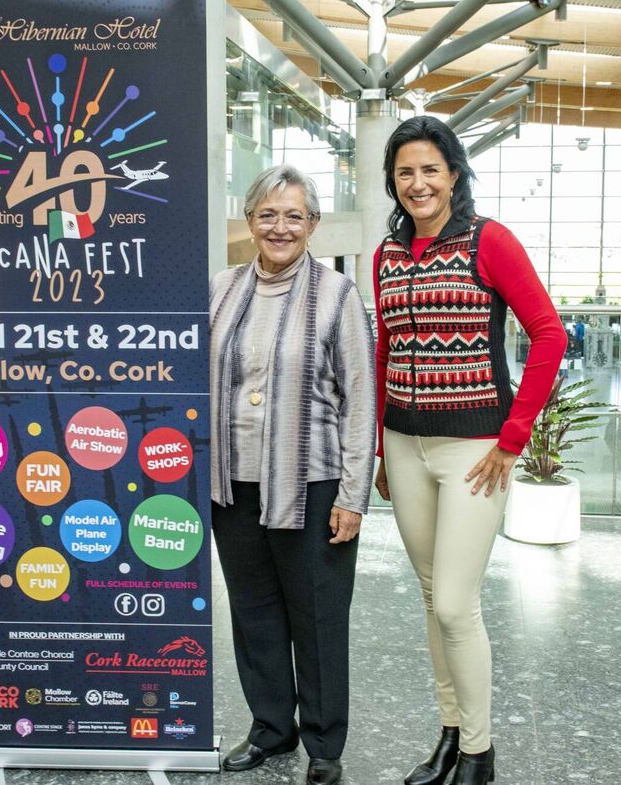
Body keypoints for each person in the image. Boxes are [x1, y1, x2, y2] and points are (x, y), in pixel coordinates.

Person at [372, 116, 566, 785]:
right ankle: (450, 736)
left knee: (456, 603)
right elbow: (386, 350)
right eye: (405, 172)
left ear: (454, 173)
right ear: (393, 183)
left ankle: (480, 753)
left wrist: (513, 440)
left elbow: (549, 335)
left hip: (475, 450)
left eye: (430, 169)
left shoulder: (490, 241)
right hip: (404, 443)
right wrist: (379, 449)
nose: (418, 182)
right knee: (431, 598)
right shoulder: (387, 255)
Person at [209, 164, 376, 785]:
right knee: (253, 613)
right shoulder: (220, 288)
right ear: (250, 221)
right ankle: (271, 729)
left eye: (294, 216)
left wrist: (354, 495)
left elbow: (360, 400)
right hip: (234, 484)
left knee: (318, 615)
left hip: (314, 484)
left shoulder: (337, 295)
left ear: (313, 225)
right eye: (267, 215)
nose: (280, 227)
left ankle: (324, 745)